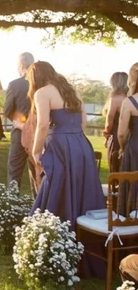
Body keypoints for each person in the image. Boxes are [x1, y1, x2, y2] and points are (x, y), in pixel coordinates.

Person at [28, 61, 105, 226]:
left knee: (55, 185)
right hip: (81, 145)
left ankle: (51, 232)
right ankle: (85, 233)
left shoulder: (42, 93)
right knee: (83, 187)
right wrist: (73, 135)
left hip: (59, 146)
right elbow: (83, 122)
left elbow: (42, 125)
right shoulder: (72, 90)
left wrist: (36, 151)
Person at [4, 52, 37, 194]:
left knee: (14, 171)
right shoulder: (43, 83)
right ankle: (40, 207)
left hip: (20, 132)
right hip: (38, 133)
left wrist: (19, 122)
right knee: (37, 172)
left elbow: (7, 110)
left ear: (22, 66)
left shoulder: (15, 84)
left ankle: (11, 204)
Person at [117, 63, 138, 215]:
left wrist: (123, 148)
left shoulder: (129, 102)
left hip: (134, 149)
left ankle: (131, 218)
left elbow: (121, 134)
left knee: (132, 183)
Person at [103, 71, 129, 175]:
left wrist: (106, 135)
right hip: (130, 137)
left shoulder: (115, 99)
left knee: (115, 167)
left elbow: (109, 122)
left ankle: (115, 189)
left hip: (116, 137)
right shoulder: (131, 98)